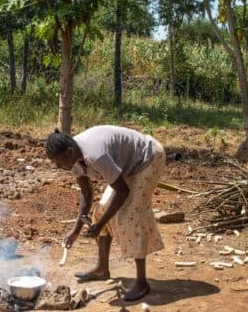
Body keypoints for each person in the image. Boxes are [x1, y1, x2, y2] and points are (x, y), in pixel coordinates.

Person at [45, 125, 166, 302]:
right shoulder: (73, 158)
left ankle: (141, 282)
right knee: (100, 210)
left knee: (130, 217)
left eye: (59, 162)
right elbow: (86, 194)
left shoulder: (95, 155)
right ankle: (102, 268)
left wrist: (100, 225)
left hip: (147, 158)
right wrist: (76, 230)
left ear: (69, 151)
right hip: (127, 165)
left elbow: (122, 191)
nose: (58, 166)